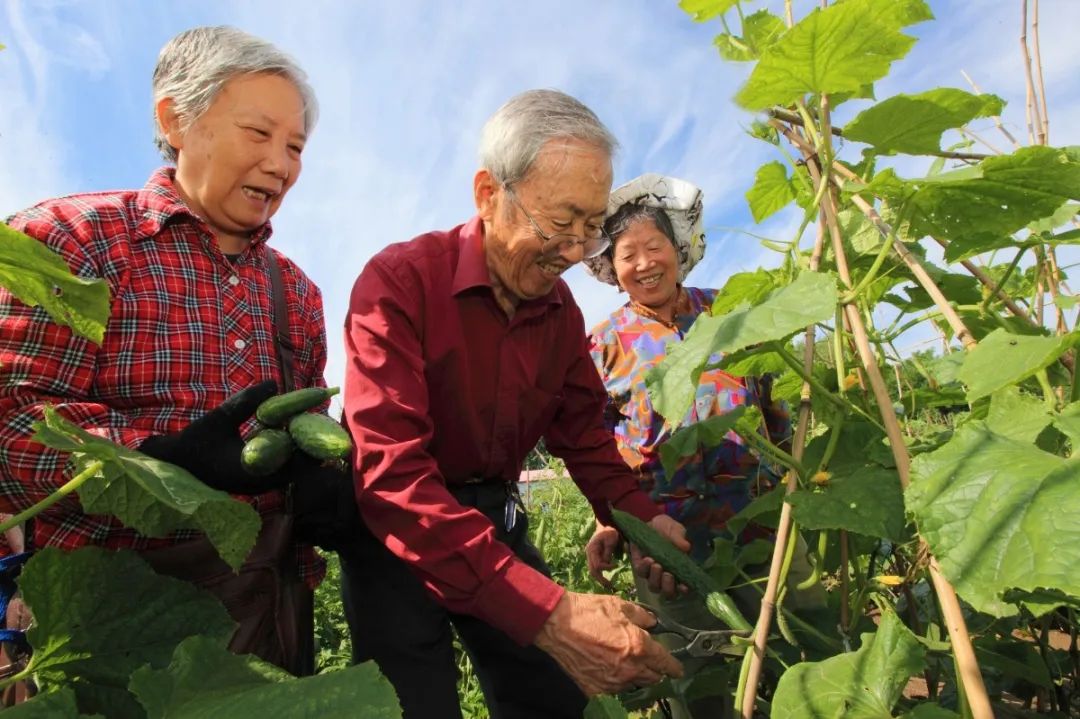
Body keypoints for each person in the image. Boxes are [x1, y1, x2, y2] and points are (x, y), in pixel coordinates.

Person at [0, 26, 355, 677]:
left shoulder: (295, 292)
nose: (281, 163)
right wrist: (155, 460)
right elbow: (11, 429)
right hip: (104, 635)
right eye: (259, 133)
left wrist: (320, 500)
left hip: (258, 621)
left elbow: (304, 442)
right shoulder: (71, 239)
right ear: (177, 119)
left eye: (296, 146)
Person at [340, 89, 691, 719]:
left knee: (550, 699)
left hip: (494, 516)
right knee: (410, 704)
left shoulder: (560, 313)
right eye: (561, 223)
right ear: (488, 193)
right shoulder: (399, 283)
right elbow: (390, 476)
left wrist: (640, 521)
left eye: (590, 228)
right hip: (395, 534)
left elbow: (584, 438)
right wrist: (551, 614)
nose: (577, 250)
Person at [582, 174, 792, 718]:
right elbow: (593, 443)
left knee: (798, 651)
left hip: (762, 521)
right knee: (693, 681)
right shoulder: (604, 344)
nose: (644, 263)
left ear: (678, 250)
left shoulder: (728, 313)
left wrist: (801, 483)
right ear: (612, 269)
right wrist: (611, 519)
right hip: (664, 541)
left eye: (655, 247)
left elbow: (776, 400)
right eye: (628, 255)